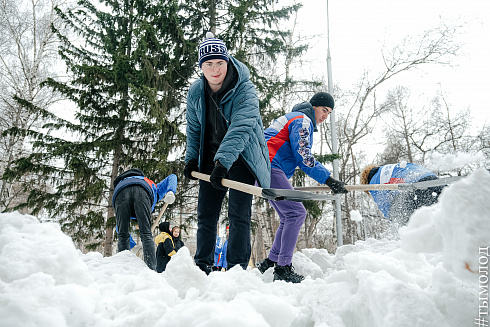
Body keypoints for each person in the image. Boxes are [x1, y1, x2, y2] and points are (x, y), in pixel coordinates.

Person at [183, 32, 270, 274]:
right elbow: (194, 128)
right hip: (211, 159)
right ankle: (202, 267)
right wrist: (191, 158)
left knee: (238, 216)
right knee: (206, 215)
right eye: (208, 64)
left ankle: (236, 270)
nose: (215, 69)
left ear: (227, 61)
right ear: (201, 67)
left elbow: (241, 128)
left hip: (242, 158)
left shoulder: (245, 89)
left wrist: (224, 161)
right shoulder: (196, 92)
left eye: (220, 62)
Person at [256, 92, 348, 283]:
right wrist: (329, 180)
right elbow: (304, 156)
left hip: (265, 168)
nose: (325, 116)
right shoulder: (302, 119)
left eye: (329, 112)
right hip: (270, 167)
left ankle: (271, 261)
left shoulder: (295, 118)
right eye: (324, 110)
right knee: (297, 213)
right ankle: (283, 269)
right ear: (313, 106)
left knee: (287, 216)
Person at [112, 168, 177, 270]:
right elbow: (172, 177)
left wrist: (132, 245)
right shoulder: (150, 184)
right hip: (142, 190)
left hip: (120, 192)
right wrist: (170, 191)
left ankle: (122, 271)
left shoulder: (122, 182)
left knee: (122, 234)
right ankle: (151, 270)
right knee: (146, 234)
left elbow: (118, 227)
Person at [360, 162, 444, 226]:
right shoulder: (390, 167)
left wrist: (396, 222)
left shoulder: (373, 183)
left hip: (415, 188)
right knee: (446, 211)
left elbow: (386, 207)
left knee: (400, 215)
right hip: (433, 180)